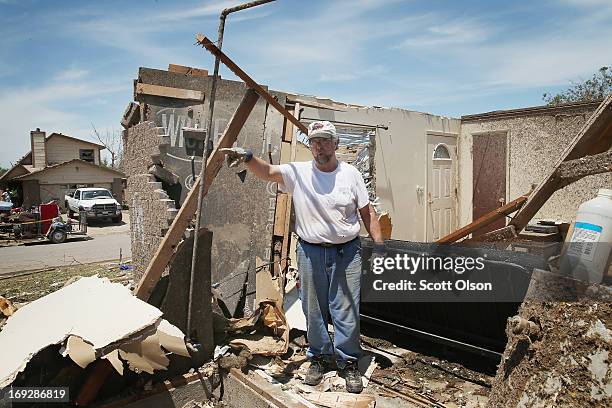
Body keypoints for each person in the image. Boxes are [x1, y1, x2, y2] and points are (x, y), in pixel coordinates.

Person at [221, 120, 385, 393]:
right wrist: (249, 158)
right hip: (310, 252)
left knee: (346, 310)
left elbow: (367, 213)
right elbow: (269, 171)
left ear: (336, 143)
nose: (319, 145)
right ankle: (319, 358)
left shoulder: (351, 174)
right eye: (314, 141)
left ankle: (347, 362)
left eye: (324, 140)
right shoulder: (297, 172)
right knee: (314, 309)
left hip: (348, 253)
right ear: (310, 145)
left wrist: (379, 247)